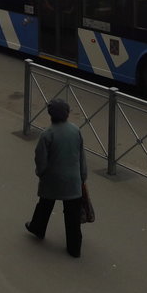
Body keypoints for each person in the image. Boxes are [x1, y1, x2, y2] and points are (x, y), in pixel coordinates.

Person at [25, 98, 87, 258]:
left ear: (51, 115)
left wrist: (41, 173)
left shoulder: (47, 134)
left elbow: (40, 158)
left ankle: (37, 228)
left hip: (52, 180)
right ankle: (74, 248)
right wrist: (82, 176)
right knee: (72, 215)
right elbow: (81, 157)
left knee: (45, 205)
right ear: (67, 114)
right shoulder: (75, 130)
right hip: (73, 181)